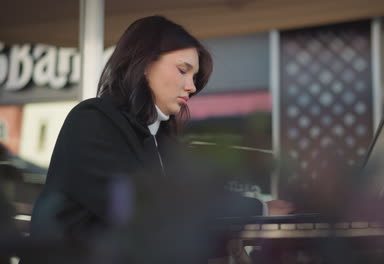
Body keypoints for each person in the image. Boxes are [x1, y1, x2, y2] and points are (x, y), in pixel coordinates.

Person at [25, 15, 292, 263]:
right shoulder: (92, 120)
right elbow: (145, 210)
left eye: (195, 76)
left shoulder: (162, 139)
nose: (192, 86)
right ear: (144, 64)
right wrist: (256, 209)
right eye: (182, 70)